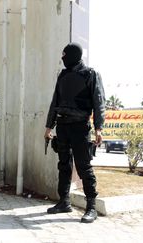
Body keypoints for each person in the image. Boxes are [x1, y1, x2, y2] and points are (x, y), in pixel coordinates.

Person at [44, 42, 105, 224]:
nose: (62, 59)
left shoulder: (90, 74)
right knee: (64, 165)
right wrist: (49, 126)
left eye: (64, 55)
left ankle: (91, 207)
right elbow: (55, 101)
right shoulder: (63, 75)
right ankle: (64, 202)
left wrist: (99, 128)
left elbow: (98, 102)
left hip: (80, 127)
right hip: (62, 126)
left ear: (72, 55)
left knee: (83, 166)